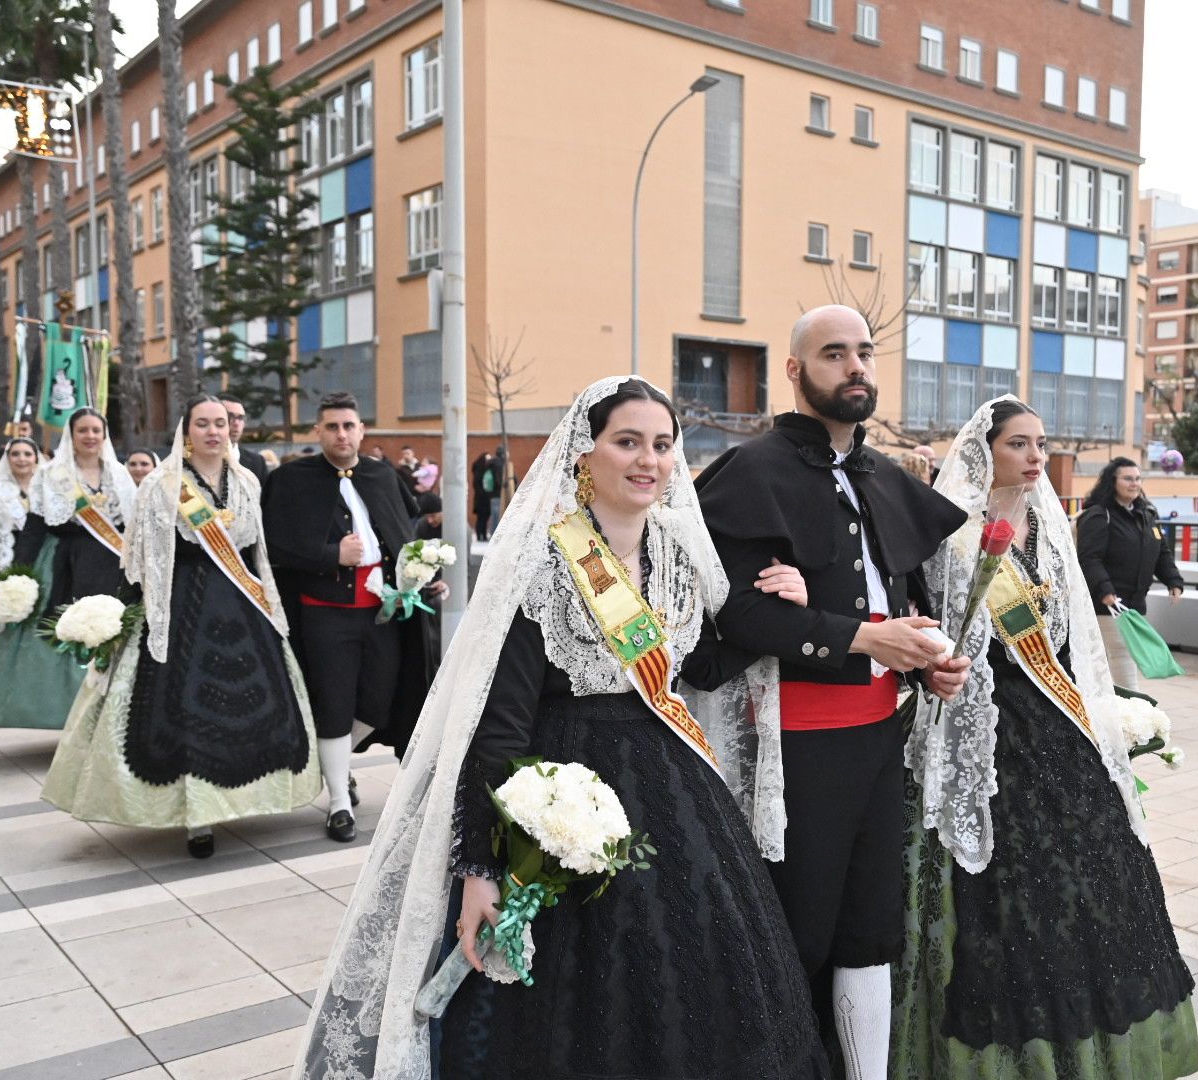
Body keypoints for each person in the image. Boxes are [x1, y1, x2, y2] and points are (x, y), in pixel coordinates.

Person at [293, 376, 826, 1080]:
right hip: (562, 791)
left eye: (662, 444)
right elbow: (500, 728)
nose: (648, 460)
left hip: (673, 788)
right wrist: (481, 871)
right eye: (627, 442)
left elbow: (699, 666)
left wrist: (786, 613)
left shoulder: (676, 554)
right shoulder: (542, 563)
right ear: (584, 452)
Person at [695, 304, 969, 1074]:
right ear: (795, 370)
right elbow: (736, 613)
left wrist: (924, 661)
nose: (855, 367)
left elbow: (902, 601)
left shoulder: (883, 475)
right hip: (799, 747)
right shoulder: (753, 470)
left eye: (865, 353)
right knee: (800, 936)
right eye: (834, 354)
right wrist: (863, 638)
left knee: (870, 932)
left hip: (879, 739)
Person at [897, 396, 1198, 1079]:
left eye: (1040, 444)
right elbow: (929, 629)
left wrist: (1104, 713)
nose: (1035, 457)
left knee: (1090, 888)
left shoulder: (1048, 529)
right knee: (1001, 900)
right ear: (984, 453)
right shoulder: (950, 533)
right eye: (1019, 444)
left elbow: (1070, 643)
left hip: (1057, 727)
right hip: (986, 729)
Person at [41, 395, 321, 859]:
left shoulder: (247, 479)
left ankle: (248, 798)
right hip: (178, 606)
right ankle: (198, 817)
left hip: (242, 605)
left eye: (220, 423)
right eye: (203, 424)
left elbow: (257, 552)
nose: (214, 432)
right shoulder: (162, 483)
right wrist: (125, 614)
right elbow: (142, 555)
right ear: (186, 432)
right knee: (186, 708)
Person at [262, 391, 432, 841]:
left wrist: (423, 576)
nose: (341, 434)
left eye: (349, 426)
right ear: (318, 431)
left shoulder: (382, 475)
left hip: (383, 613)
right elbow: (275, 546)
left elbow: (404, 533)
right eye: (332, 427)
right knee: (334, 705)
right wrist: (329, 554)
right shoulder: (291, 480)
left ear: (361, 430)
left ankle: (330, 763)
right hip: (325, 616)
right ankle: (339, 802)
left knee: (380, 704)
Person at [0, 437, 84, 730]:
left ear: (37, 458)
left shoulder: (53, 483)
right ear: (6, 458)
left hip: (49, 557)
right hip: (13, 558)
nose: (22, 459)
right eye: (15, 454)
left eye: (27, 454)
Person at [14, 408, 137, 616]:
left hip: (113, 563)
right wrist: (18, 573)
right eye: (82, 430)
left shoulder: (119, 473)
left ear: (104, 435)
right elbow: (34, 528)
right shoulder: (51, 473)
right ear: (71, 435)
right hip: (68, 563)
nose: (90, 436)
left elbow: (133, 523)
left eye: (96, 430)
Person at [1075, 456, 1184, 691]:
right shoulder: (1098, 515)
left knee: (1117, 657)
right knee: (1121, 654)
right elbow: (1089, 558)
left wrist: (1173, 581)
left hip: (1134, 602)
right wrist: (1105, 590)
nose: (1134, 484)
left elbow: (1161, 552)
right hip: (1108, 602)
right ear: (1112, 482)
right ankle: (1132, 706)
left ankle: (1114, 704)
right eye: (1127, 479)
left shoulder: (1146, 514)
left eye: (1137, 478)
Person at [220, 394, 269, 483]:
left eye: (240, 417)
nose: (236, 423)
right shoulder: (197, 460)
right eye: (230, 416)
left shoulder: (257, 462)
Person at [472, 450, 497, 541]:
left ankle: (483, 534)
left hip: (484, 499)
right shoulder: (479, 472)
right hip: (481, 499)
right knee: (481, 518)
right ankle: (480, 535)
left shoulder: (485, 471)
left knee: (484, 518)